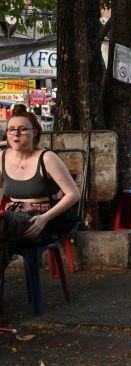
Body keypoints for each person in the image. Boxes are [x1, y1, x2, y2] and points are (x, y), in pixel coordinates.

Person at [0, 110, 81, 274]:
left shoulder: (47, 158)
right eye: (11, 129)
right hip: (11, 219)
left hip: (41, 220)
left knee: (4, 224)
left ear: (34, 132)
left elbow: (73, 194)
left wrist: (44, 218)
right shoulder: (2, 157)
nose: (16, 134)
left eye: (23, 129)